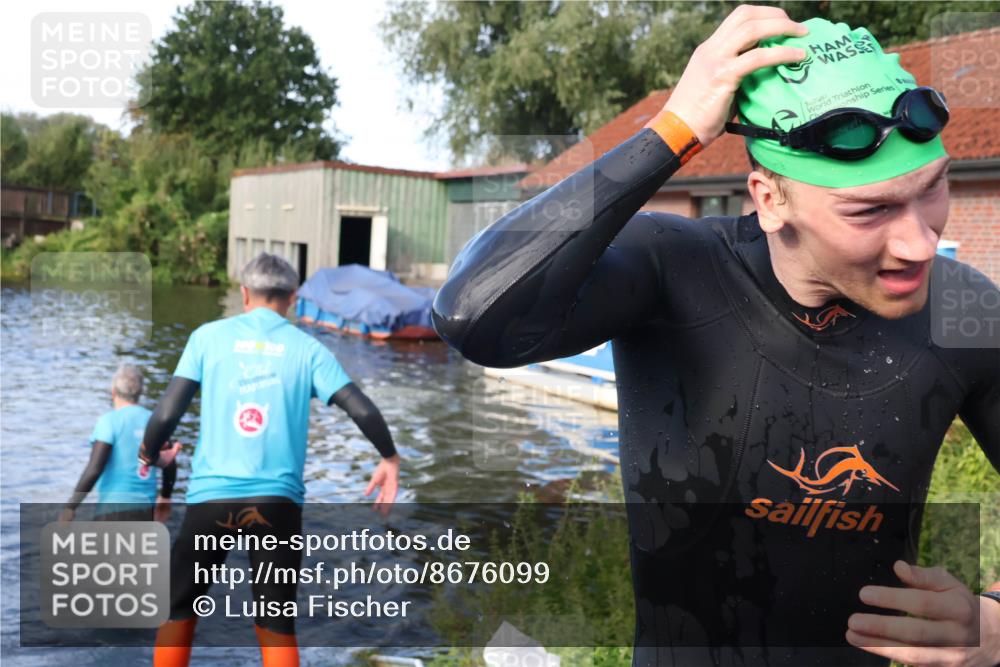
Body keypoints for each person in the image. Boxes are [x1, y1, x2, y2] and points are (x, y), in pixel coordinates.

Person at [432, 7, 999, 667]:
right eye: (869, 210)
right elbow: (475, 313)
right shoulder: (673, 266)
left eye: (933, 189)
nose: (919, 241)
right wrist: (670, 130)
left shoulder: (961, 307)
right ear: (769, 197)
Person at [140, 252, 402, 667]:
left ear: (245, 293)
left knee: (178, 607)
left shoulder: (207, 338)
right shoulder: (308, 349)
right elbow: (364, 410)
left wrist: (148, 453)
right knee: (276, 619)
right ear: (293, 299)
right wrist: (389, 458)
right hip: (277, 505)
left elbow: (167, 414)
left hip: (212, 501)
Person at [60, 363, 176, 523]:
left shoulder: (109, 422)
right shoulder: (154, 421)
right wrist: (165, 497)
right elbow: (170, 462)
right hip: (145, 512)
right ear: (140, 392)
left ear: (113, 392)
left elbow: (95, 469)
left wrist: (71, 507)